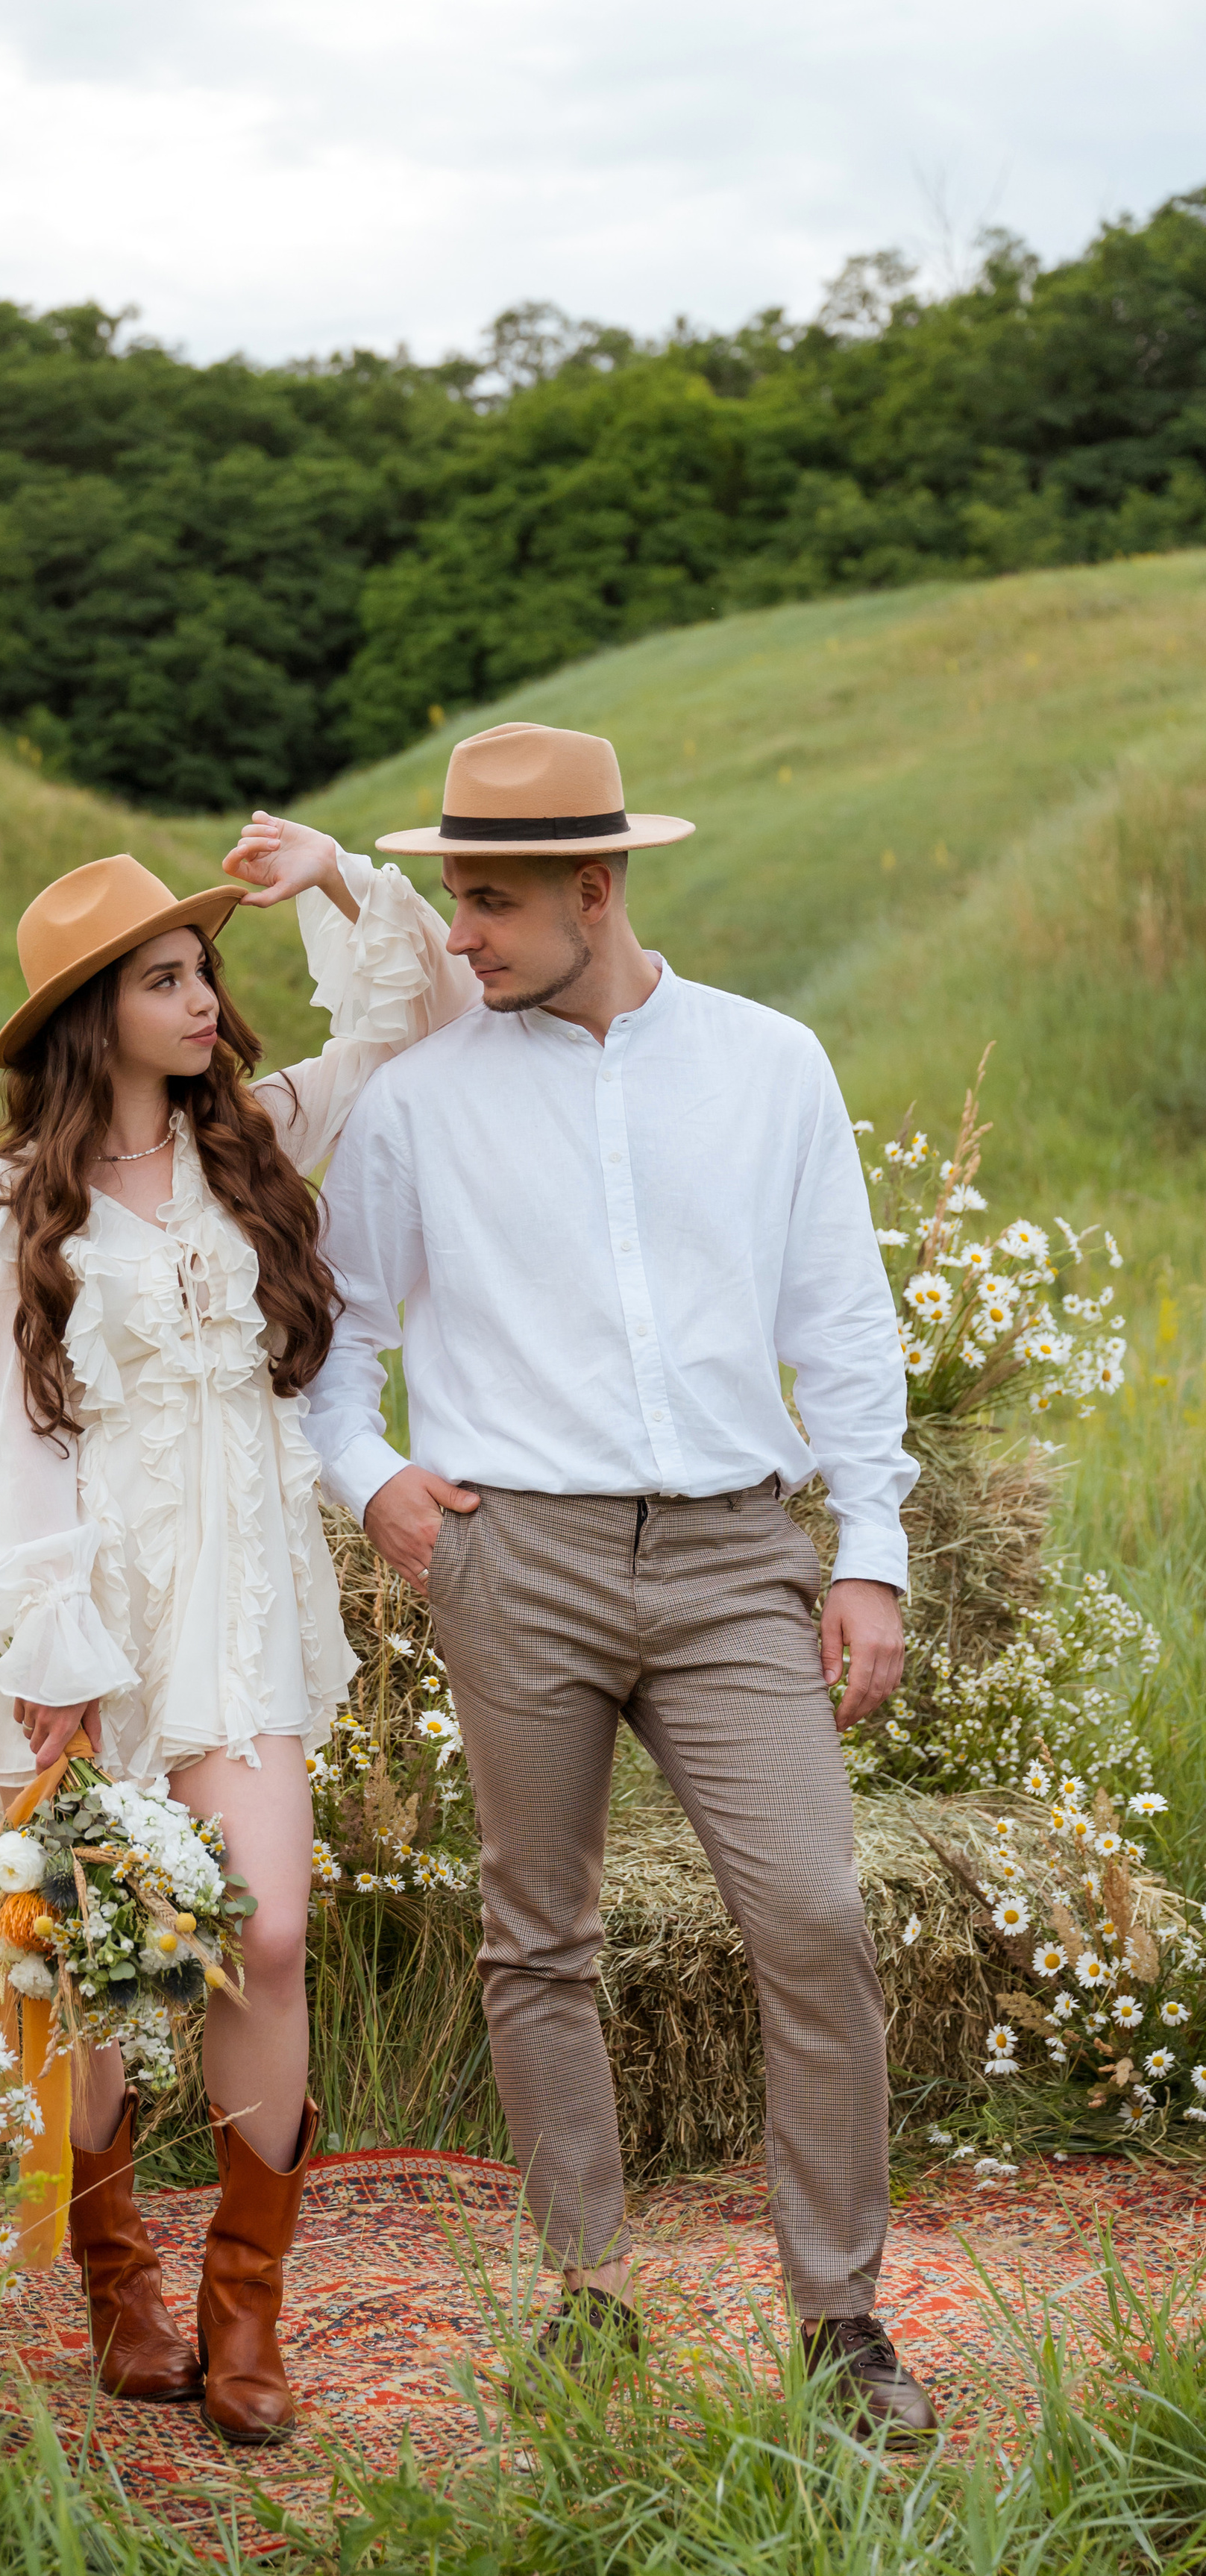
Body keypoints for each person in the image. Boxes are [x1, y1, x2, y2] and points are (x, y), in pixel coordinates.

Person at [305, 720, 940, 2442]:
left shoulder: (766, 1064)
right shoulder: (417, 1106)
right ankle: (586, 2293)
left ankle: (839, 2321)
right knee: (539, 1936)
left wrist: (866, 1554)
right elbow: (330, 1348)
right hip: (520, 1557)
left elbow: (840, 1326)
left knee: (811, 1913)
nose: (460, 935)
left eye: (492, 901)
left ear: (597, 887)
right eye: (452, 897)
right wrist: (374, 1486)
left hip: (738, 1551)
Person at [0, 845, 477, 2443]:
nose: (201, 1002)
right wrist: (54, 1644)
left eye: (203, 973)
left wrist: (330, 872)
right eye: (165, 978)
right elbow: (16, 1444)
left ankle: (248, 2303)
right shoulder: (1, 1211)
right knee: (111, 1966)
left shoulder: (259, 1136)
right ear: (93, 1015)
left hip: (243, 1602)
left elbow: (414, 1010)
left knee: (268, 1936)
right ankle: (121, 2286)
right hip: (97, 1622)